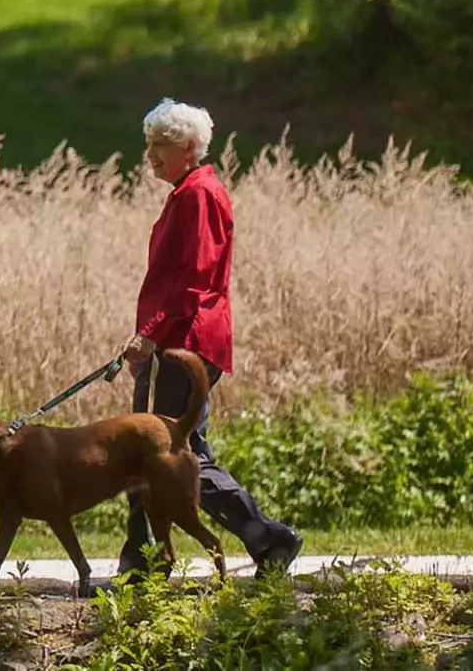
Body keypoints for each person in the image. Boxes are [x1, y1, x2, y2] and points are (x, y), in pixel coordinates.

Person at [116, 98, 301, 582]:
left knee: (171, 453)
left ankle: (260, 538)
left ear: (191, 148)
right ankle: (147, 554)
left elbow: (193, 281)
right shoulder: (188, 191)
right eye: (149, 145)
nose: (152, 155)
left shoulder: (198, 194)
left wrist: (151, 336)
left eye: (163, 145)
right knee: (177, 449)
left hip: (188, 341)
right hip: (184, 339)